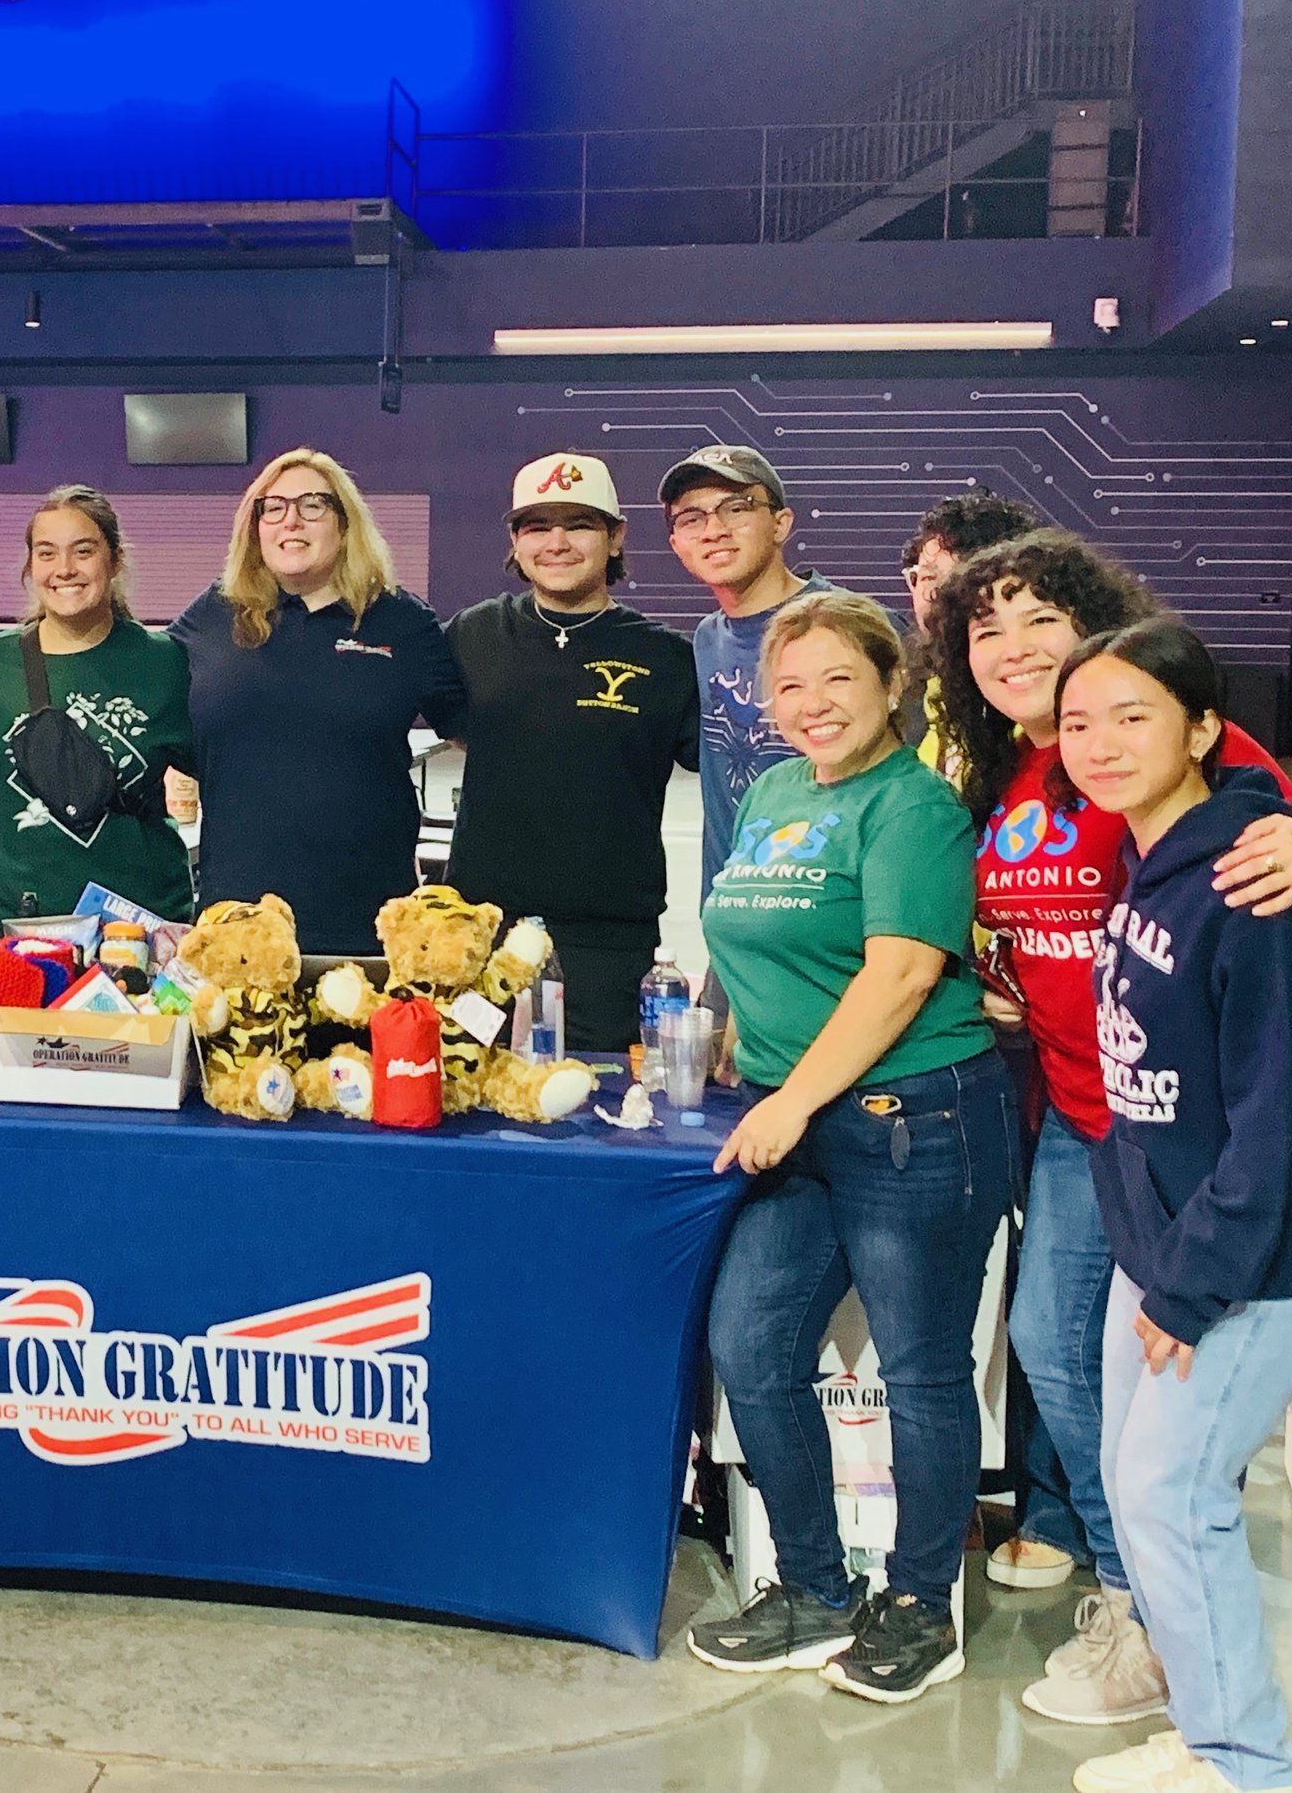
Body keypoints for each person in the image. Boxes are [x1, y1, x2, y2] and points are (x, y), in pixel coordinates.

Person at [928, 532, 1292, 1718]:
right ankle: (1139, 1597)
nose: (1010, 650)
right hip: (1076, 1110)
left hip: (1189, 1134)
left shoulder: (1160, 734)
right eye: (983, 630)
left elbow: (1275, 838)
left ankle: (1163, 1619)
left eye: (1036, 623)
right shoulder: (1020, 772)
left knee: (1152, 1372)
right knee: (1057, 1348)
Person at [687, 590, 1013, 1705]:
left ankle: (921, 1605)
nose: (812, 704)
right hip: (794, 1111)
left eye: (837, 679)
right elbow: (747, 926)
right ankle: (817, 1591)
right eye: (789, 685)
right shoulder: (778, 788)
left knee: (920, 1371)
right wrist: (732, 1028)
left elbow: (901, 975)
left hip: (908, 1116)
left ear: (891, 685)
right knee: (750, 1344)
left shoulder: (912, 806)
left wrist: (791, 1102)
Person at [1052, 618, 1292, 1793]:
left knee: (1173, 1497)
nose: (1101, 744)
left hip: (1243, 1265)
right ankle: (1213, 1722)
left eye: (1133, 717)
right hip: (1163, 1247)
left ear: (1204, 729)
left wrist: (1188, 1275)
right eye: (1078, 723)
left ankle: (1248, 1764)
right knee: (1143, 1491)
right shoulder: (1148, 869)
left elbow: (1282, 1118)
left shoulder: (1252, 875)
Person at [445, 452, 697, 1049]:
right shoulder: (471, 636)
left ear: (615, 538)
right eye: (537, 526)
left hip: (607, 944)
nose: (557, 542)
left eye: (578, 524)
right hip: (479, 933)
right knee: (469, 1111)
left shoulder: (666, 658)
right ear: (515, 541)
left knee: (594, 1113)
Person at [168, 448, 463, 955]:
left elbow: (473, 730)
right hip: (237, 925)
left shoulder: (402, 623)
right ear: (254, 525)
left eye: (313, 505)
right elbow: (149, 716)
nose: (291, 520)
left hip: (369, 927)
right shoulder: (212, 617)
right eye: (274, 507)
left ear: (345, 524)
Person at [0, 485, 194, 935]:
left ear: (115, 560)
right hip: (21, 932)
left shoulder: (164, 663)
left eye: (83, 551)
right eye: (47, 553)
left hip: (144, 930)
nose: (64, 569)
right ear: (30, 567)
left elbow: (227, 775)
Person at [661, 444, 836, 898]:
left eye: (737, 508)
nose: (714, 530)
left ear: (781, 524)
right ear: (675, 542)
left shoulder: (847, 626)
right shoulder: (705, 640)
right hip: (734, 914)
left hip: (829, 922)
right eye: (691, 518)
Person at [898, 491, 1042, 767]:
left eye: (963, 576)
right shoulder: (904, 696)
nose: (937, 594)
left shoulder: (1034, 696)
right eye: (927, 576)